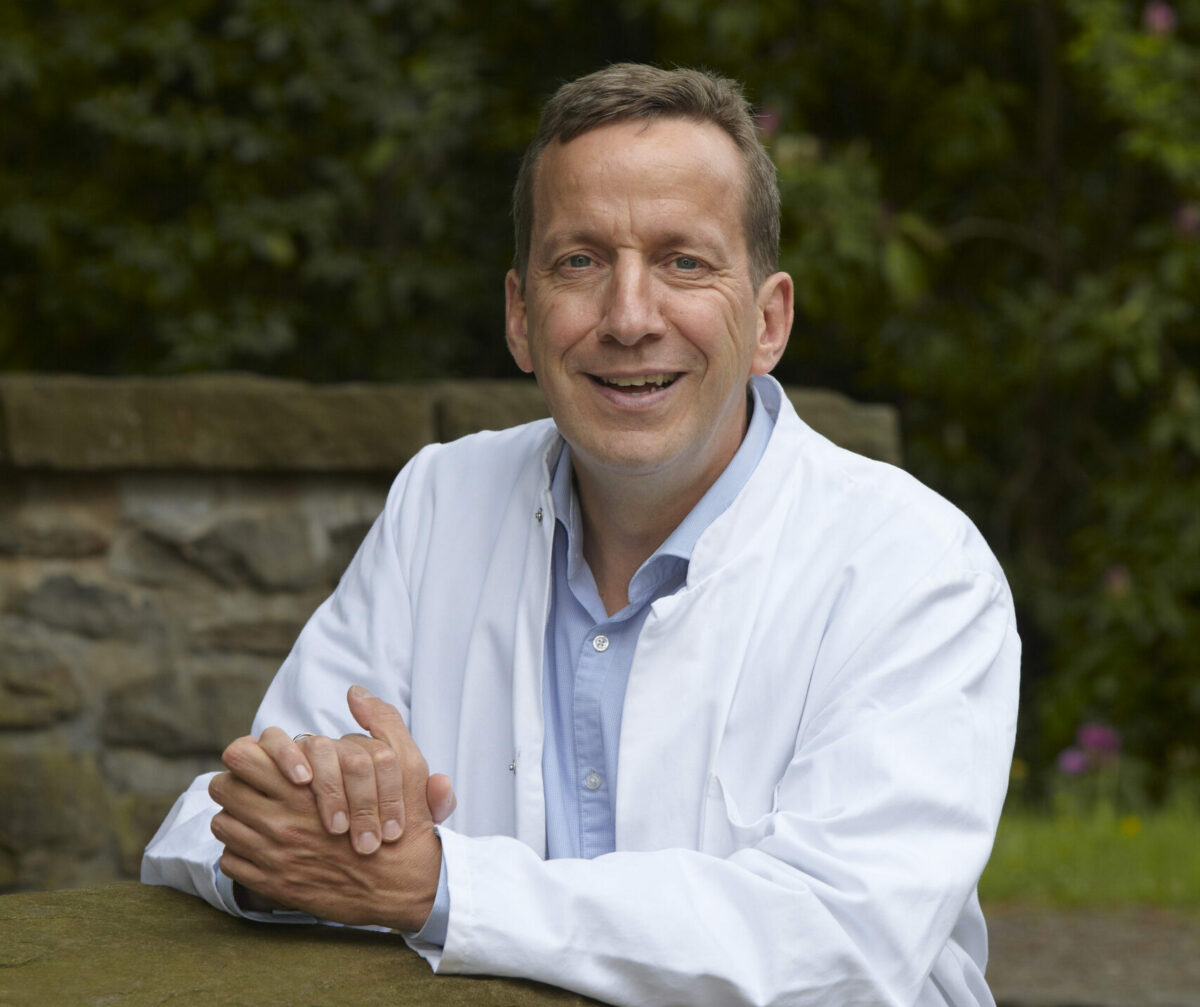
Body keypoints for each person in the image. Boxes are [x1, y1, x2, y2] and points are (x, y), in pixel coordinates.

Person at [143, 63, 1020, 1006]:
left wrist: (439, 887)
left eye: (684, 262)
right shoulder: (442, 500)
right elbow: (216, 821)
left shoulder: (916, 566)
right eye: (580, 262)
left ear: (769, 322)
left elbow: (839, 941)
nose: (629, 317)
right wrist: (315, 831)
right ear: (521, 317)